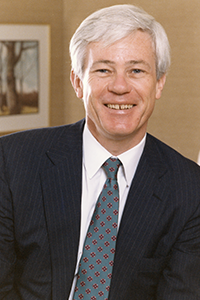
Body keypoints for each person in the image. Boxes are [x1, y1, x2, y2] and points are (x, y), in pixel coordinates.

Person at [0, 4, 200, 300]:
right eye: (103, 69)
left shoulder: (189, 188)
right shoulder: (12, 160)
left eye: (136, 70)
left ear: (159, 83)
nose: (120, 87)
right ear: (78, 82)